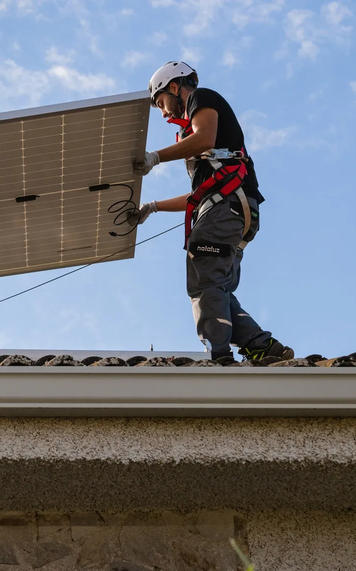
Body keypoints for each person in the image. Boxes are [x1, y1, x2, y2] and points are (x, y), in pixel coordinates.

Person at [132, 61, 293, 363]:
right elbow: (200, 193)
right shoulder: (196, 142)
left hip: (226, 208)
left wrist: (155, 157)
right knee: (215, 285)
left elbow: (204, 139)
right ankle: (262, 347)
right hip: (234, 209)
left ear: (175, 88)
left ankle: (219, 357)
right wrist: (153, 207)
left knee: (204, 281)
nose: (164, 113)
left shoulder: (200, 98)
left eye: (162, 103)